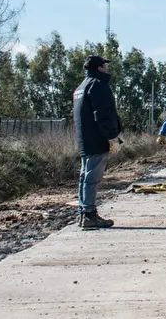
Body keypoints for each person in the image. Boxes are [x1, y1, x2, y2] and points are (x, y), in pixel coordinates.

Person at [72, 54, 122, 230]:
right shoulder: (98, 85)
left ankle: (83, 213)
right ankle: (89, 214)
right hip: (97, 138)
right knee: (92, 177)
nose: (107, 69)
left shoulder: (80, 88)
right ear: (99, 68)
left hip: (85, 139)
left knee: (85, 176)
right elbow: (102, 114)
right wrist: (112, 137)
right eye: (104, 66)